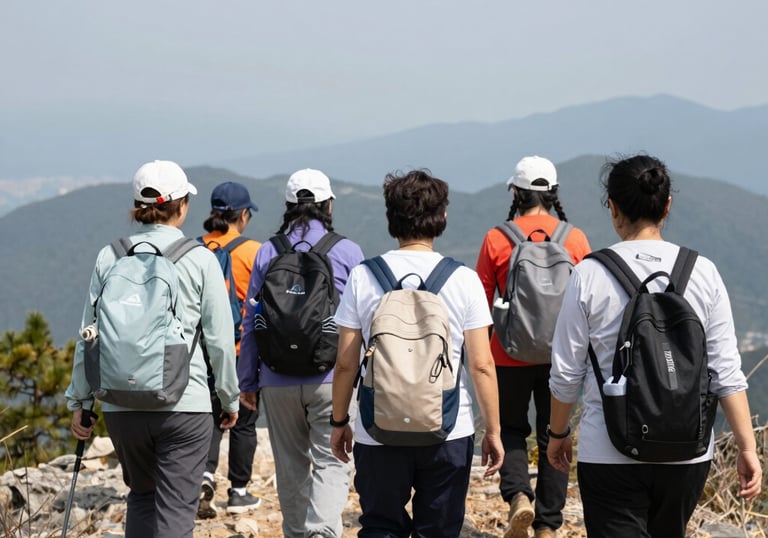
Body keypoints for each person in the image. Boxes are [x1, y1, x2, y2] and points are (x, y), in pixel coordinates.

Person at [547, 154, 762, 537]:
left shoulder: (589, 274)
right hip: (687, 451)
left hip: (609, 450)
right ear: (667, 206)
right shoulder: (703, 271)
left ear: (612, 208)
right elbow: (726, 371)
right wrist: (747, 448)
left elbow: (566, 372)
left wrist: (558, 435)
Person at [66, 160, 240, 538]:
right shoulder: (199, 259)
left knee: (142, 498)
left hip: (120, 403)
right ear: (180, 206)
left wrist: (80, 402)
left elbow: (88, 335)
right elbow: (221, 342)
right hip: (184, 406)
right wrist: (228, 400)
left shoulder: (110, 256)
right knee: (176, 510)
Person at [331, 169, 504, 538]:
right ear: (442, 217)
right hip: (448, 426)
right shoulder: (463, 279)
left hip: (378, 427)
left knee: (380, 526)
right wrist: (493, 430)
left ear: (391, 219)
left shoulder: (364, 276)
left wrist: (339, 420)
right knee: (440, 530)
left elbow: (346, 362)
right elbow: (481, 365)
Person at [239, 168, 364, 538]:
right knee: (332, 460)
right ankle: (322, 531)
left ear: (289, 207)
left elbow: (251, 321)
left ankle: (297, 534)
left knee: (290, 466)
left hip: (275, 378)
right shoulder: (347, 251)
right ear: (328, 205)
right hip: (332, 377)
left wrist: (248, 380)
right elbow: (365, 321)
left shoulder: (267, 251)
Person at [475, 156, 591, 538]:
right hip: (560, 356)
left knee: (509, 427)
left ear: (516, 192)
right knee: (553, 434)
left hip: (507, 353)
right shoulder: (573, 239)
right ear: (552, 193)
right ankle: (548, 526)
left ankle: (518, 497)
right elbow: (586, 302)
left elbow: (481, 302)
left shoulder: (497, 238)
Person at [197, 181, 262, 518]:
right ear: (244, 214)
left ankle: (203, 477)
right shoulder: (254, 251)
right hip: (241, 349)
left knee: (207, 417)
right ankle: (238, 491)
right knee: (244, 421)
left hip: (200, 352)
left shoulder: (193, 249)